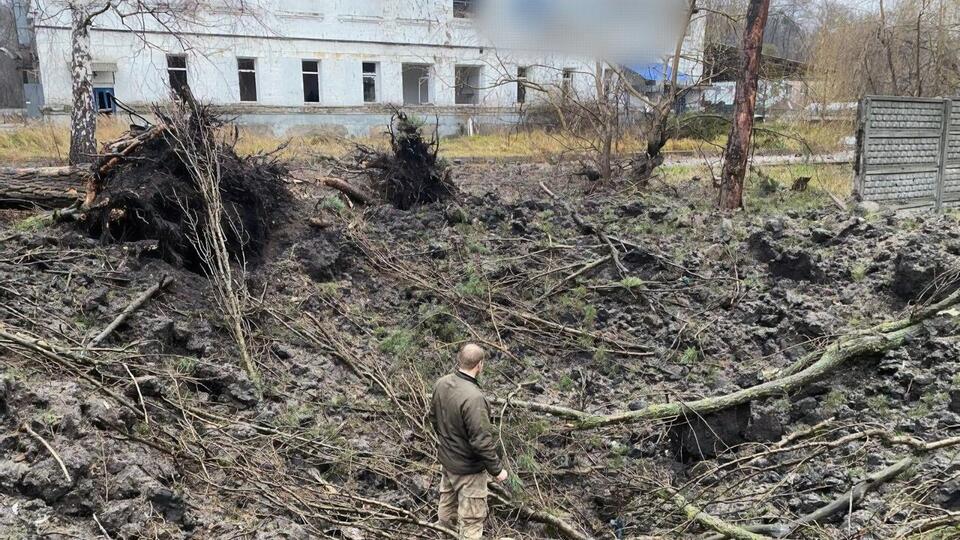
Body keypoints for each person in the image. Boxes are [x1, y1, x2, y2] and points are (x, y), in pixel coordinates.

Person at [430, 343, 509, 539]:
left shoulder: (441, 383)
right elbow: (481, 441)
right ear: (479, 365)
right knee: (472, 522)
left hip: (447, 462)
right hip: (469, 470)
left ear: (460, 359)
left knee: (446, 512)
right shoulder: (475, 398)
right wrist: (497, 470)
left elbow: (433, 418)